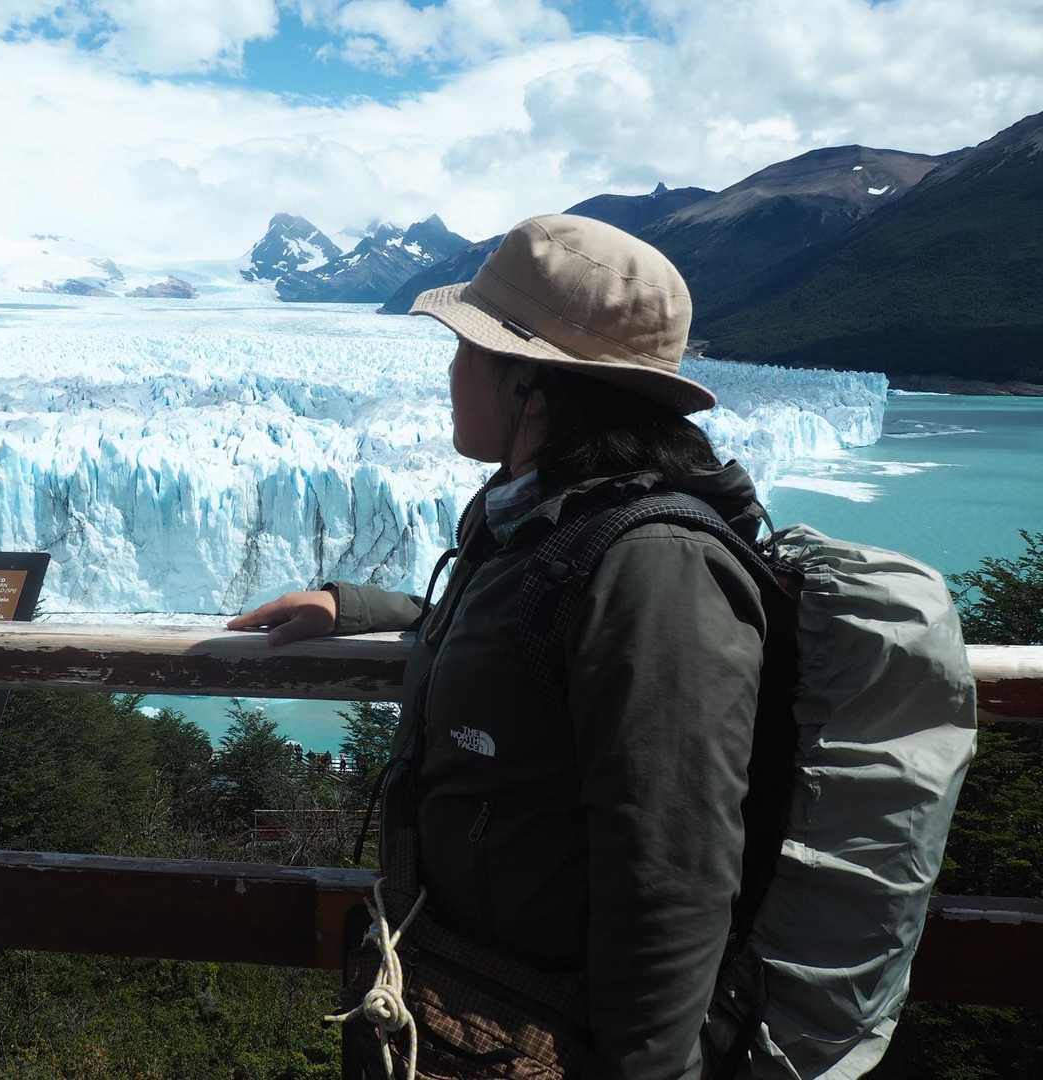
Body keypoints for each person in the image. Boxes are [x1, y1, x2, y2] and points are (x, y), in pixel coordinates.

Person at [227, 214, 767, 1079]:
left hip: (553, 1036)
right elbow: (526, 636)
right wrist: (357, 606)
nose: (451, 371)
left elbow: (675, 870)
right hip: (480, 1007)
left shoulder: (657, 566)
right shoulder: (543, 521)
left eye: (467, 348)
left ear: (531, 387)